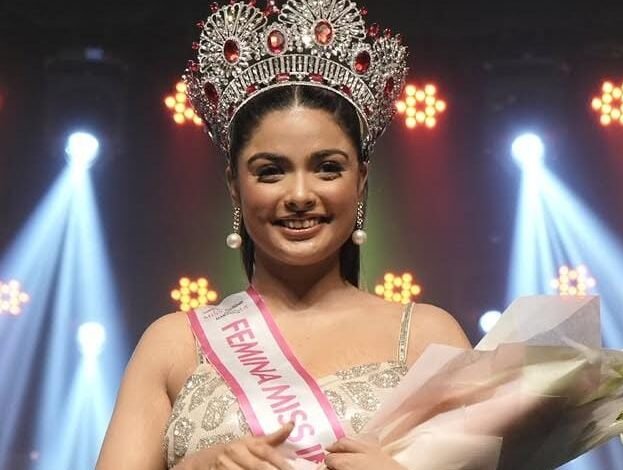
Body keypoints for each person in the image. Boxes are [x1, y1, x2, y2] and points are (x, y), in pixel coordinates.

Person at [97, 0, 472, 469]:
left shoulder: (428, 337)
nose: (299, 195)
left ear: (361, 182)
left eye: (327, 168)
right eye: (271, 171)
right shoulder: (172, 345)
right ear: (235, 186)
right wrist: (196, 466)